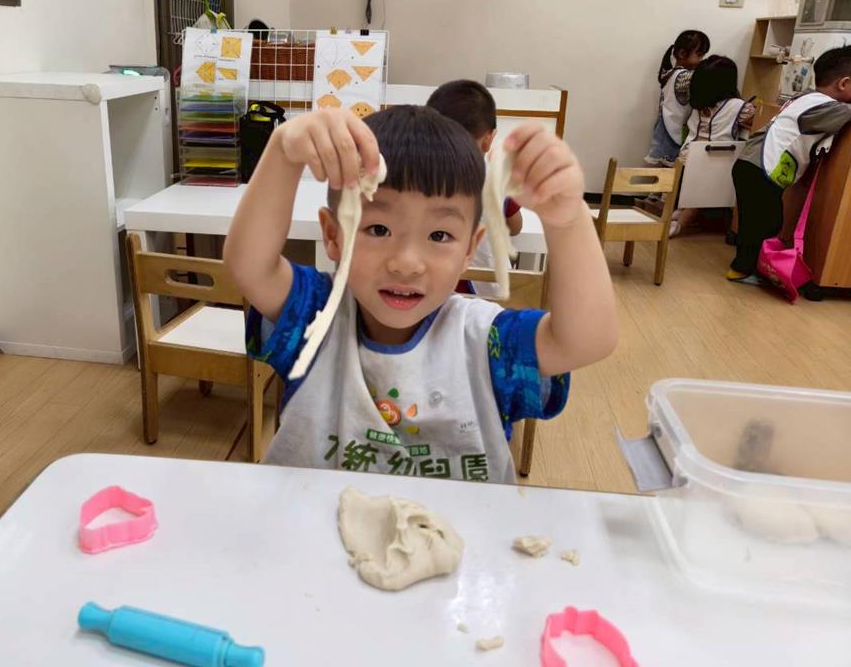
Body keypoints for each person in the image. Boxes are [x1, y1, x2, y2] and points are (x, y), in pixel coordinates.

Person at [223, 105, 617, 484]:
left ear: (469, 249)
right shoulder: (314, 315)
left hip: (452, 529)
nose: (407, 263)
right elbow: (250, 267)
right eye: (378, 229)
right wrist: (282, 152)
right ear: (333, 236)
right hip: (317, 524)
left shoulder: (488, 342)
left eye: (439, 235)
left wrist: (568, 219)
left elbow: (586, 340)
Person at [729, 45, 851, 286]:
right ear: (844, 83)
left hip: (752, 164)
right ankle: (742, 269)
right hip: (761, 168)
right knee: (764, 223)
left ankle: (747, 266)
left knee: (755, 221)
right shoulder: (826, 108)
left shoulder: (806, 97)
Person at [425, 79, 523, 297]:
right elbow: (516, 227)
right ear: (488, 139)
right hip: (486, 291)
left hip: (433, 288)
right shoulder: (496, 177)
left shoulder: (417, 175)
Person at [671, 55, 756, 236]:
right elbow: (755, 120)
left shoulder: (699, 102)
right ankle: (680, 224)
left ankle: (678, 213)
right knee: (701, 194)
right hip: (713, 159)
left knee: (695, 189)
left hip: (687, 155)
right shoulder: (739, 107)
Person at [645, 30, 711, 167]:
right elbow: (702, 81)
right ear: (681, 54)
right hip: (673, 130)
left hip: (666, 128)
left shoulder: (670, 73)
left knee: (665, 171)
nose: (701, 60)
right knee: (670, 173)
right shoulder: (683, 76)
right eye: (699, 55)